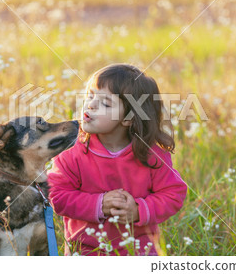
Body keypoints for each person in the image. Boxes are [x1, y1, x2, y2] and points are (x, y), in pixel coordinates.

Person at [47, 63, 187, 256]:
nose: (91, 104)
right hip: (86, 251)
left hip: (139, 250)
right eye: (90, 95)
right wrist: (99, 204)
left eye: (105, 103)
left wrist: (139, 210)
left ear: (128, 118)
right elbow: (56, 194)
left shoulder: (151, 154)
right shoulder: (71, 150)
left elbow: (174, 193)